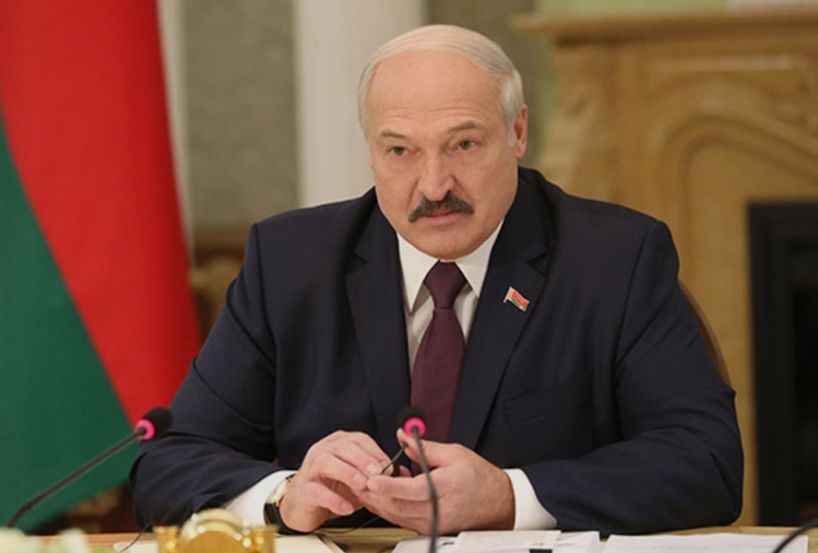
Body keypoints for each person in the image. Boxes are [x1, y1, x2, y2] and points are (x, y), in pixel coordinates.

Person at [131, 24, 743, 536]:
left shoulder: (613, 259)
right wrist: (285, 495)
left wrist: (508, 495)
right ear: (370, 150)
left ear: (518, 132)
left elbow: (706, 462)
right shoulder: (291, 262)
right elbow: (168, 462)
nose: (434, 185)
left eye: (464, 144)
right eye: (400, 151)